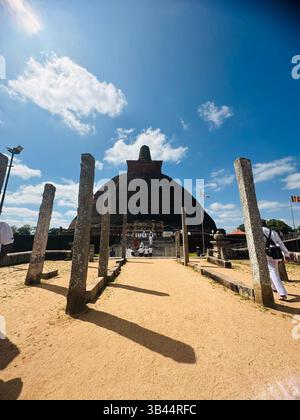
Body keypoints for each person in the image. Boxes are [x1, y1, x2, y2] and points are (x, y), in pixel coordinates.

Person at [262, 221, 290, 300]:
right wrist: (286, 254)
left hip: (267, 253)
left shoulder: (259, 231)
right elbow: (280, 243)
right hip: (276, 253)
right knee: (275, 270)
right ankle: (274, 287)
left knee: (272, 271)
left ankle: (282, 293)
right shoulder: (273, 232)